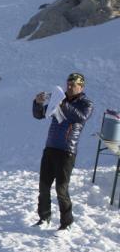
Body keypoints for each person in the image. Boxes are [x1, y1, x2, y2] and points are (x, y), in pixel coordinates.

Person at [32, 72, 94, 231]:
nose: (69, 87)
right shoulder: (60, 99)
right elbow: (39, 115)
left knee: (61, 189)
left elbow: (81, 117)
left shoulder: (86, 103)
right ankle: (44, 218)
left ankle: (66, 223)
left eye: (73, 84)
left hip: (67, 151)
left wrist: (62, 103)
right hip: (50, 147)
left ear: (81, 86)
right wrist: (37, 103)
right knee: (44, 186)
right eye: (68, 83)